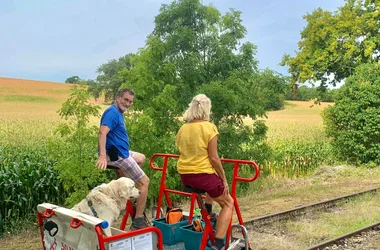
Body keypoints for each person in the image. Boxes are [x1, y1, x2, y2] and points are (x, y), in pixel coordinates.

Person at [176, 94, 234, 250]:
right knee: (229, 203)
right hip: (202, 175)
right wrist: (224, 178)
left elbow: (183, 150)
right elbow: (214, 158)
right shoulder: (209, 128)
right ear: (207, 109)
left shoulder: (183, 128)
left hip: (185, 176)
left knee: (211, 180)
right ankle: (219, 242)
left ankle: (208, 209)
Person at [95, 88, 150, 230]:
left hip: (123, 152)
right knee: (144, 182)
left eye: (130, 101)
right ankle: (138, 220)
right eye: (126, 100)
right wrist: (102, 156)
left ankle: (125, 180)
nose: (128, 103)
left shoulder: (118, 113)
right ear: (118, 98)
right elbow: (102, 133)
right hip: (117, 155)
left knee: (141, 158)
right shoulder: (112, 113)